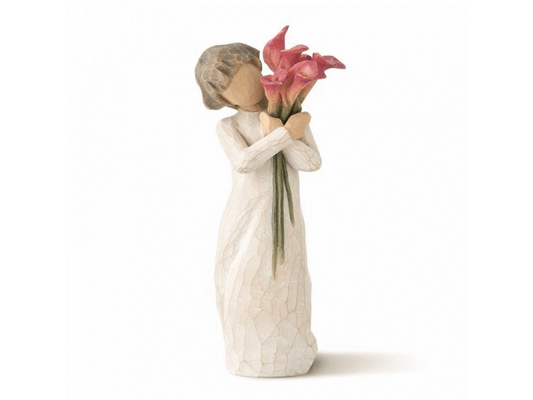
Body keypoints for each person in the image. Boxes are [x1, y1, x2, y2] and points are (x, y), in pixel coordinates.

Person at [195, 43, 321, 377]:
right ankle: (247, 353)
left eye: (248, 74)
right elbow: (243, 161)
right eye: (231, 85)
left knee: (288, 279)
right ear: (221, 98)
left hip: (286, 218)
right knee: (243, 281)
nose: (247, 87)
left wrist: (286, 129)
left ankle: (292, 349)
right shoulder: (228, 126)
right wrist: (282, 135)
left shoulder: (288, 113)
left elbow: (311, 162)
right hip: (248, 217)